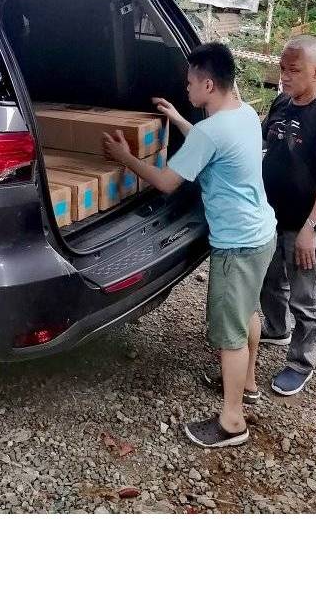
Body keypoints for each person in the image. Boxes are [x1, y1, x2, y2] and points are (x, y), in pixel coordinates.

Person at [102, 42, 276, 449]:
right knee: (248, 312)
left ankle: (232, 421)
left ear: (209, 85)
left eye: (190, 83)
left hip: (236, 245)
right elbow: (208, 143)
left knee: (229, 335)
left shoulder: (212, 131)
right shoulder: (244, 114)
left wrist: (125, 157)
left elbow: (166, 182)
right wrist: (179, 118)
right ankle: (248, 382)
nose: (186, 88)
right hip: (261, 234)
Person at [259, 35, 316, 397]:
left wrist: (311, 230)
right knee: (270, 280)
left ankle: (301, 362)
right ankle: (276, 329)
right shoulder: (282, 102)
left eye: (294, 70)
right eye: (282, 68)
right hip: (272, 217)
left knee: (305, 295)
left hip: (306, 223)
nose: (285, 76)